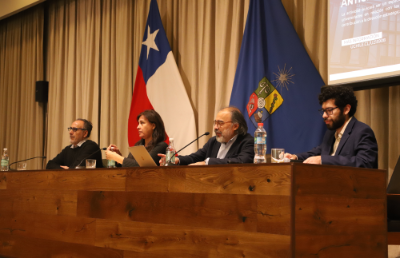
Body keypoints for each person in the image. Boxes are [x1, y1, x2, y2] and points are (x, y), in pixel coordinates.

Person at [285, 86, 378, 168]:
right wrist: (295, 157)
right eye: (323, 111)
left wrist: (323, 160)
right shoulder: (330, 133)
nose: (324, 115)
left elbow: (364, 163)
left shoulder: (362, 131)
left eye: (329, 110)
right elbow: (317, 152)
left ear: (346, 109)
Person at [159, 107, 254, 165]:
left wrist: (207, 163)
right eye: (215, 123)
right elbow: (195, 157)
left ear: (235, 126)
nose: (216, 127)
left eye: (220, 123)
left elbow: (241, 161)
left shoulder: (247, 141)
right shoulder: (213, 141)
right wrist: (177, 160)